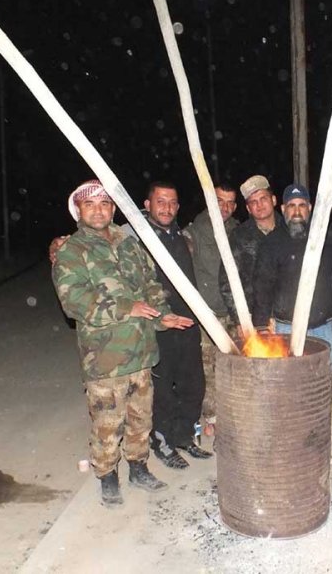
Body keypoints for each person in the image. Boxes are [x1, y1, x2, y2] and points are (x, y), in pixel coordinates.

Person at [51, 179, 193, 507]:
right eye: (90, 205)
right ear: (79, 211)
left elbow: (149, 285)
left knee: (140, 416)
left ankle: (139, 467)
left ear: (113, 208)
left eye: (104, 204)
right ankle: (107, 475)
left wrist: (163, 316)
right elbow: (73, 302)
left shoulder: (129, 244)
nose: (98, 210)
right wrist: (125, 307)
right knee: (107, 422)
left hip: (141, 351)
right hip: (105, 357)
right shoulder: (72, 250)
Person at [143, 181, 213, 468]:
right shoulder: (135, 237)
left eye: (172, 202)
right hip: (158, 327)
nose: (167, 207)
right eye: (160, 201)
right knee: (162, 391)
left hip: (188, 324)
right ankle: (162, 442)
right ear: (147, 205)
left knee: (193, 385)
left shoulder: (183, 237)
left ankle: (184, 436)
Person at [252, 184, 332, 347]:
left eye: (302, 205)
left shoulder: (327, 234)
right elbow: (262, 285)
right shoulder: (272, 243)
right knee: (288, 373)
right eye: (291, 206)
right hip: (286, 329)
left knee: (325, 372)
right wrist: (261, 326)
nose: (296, 211)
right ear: (283, 208)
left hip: (324, 328)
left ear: (309, 208)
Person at [182, 183, 239, 431]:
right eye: (219, 201)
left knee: (235, 368)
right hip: (208, 315)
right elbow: (168, 243)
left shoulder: (238, 231)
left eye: (229, 203)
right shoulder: (194, 231)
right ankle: (212, 418)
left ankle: (234, 416)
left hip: (234, 313)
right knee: (207, 369)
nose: (224, 207)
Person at [219, 174, 284, 325]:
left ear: (273, 200)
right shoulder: (239, 236)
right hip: (254, 319)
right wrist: (240, 319)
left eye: (263, 198)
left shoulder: (289, 230)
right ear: (248, 208)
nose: (259, 205)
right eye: (253, 202)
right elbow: (227, 281)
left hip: (287, 319)